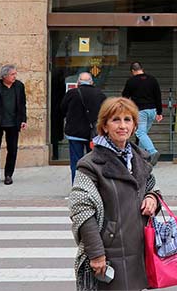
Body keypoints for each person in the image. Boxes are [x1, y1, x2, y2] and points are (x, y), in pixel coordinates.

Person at [69, 97, 160, 291]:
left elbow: (151, 188)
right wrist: (95, 253)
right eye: (115, 120)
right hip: (109, 252)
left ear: (135, 125)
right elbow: (82, 212)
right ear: (104, 126)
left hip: (139, 249)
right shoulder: (90, 164)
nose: (122, 126)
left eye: (128, 120)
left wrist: (152, 199)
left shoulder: (140, 159)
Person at [0, 64, 27, 185]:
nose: (15, 76)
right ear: (4, 75)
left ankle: (8, 175)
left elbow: (22, 104)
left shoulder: (19, 86)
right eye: (12, 74)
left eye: (15, 74)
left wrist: (23, 120)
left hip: (13, 123)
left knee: (12, 150)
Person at [61, 72, 107, 182]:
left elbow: (62, 109)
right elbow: (106, 113)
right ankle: (92, 185)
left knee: (76, 162)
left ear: (78, 82)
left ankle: (77, 185)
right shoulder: (99, 94)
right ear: (91, 82)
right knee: (94, 161)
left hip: (74, 133)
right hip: (93, 134)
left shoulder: (72, 93)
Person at [121, 62, 163, 165]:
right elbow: (158, 96)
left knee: (140, 133)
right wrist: (159, 112)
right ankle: (140, 157)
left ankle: (152, 152)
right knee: (143, 134)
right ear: (142, 68)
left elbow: (124, 97)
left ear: (132, 71)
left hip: (140, 110)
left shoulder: (131, 81)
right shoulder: (152, 79)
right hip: (152, 110)